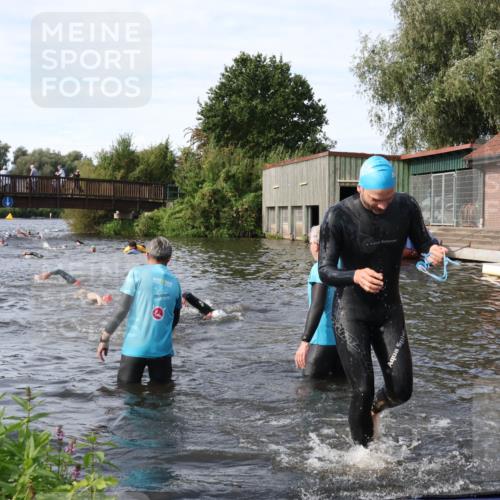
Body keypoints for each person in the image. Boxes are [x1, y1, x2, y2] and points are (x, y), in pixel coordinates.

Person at [318, 155, 448, 447]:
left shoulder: (406, 207)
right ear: (360, 188)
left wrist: (434, 251)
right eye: (377, 199)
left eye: (388, 197)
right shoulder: (337, 216)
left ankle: (376, 410)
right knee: (362, 389)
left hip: (389, 310)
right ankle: (364, 455)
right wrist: (355, 276)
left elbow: (424, 241)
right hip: (351, 311)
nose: (383, 205)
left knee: (402, 390)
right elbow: (325, 271)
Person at [97, 237, 182, 385]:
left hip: (134, 349)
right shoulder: (175, 281)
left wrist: (105, 338)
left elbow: (122, 310)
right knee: (161, 401)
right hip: (162, 351)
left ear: (147, 254)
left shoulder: (136, 273)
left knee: (128, 396)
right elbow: (175, 317)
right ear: (169, 258)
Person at [294, 226, 346, 380]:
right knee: (340, 393)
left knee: (307, 393)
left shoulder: (318, 269)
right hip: (343, 344)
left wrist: (305, 342)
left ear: (316, 245)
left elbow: (317, 306)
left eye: (310, 243)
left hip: (321, 342)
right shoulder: (344, 266)